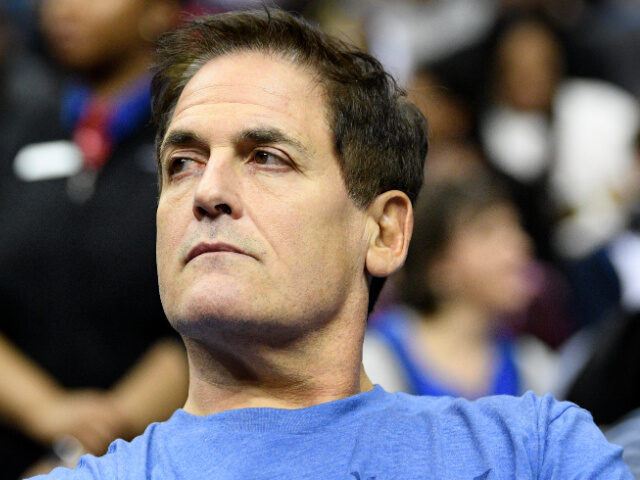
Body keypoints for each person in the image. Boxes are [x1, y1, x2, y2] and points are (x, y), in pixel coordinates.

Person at [33, 8, 632, 479]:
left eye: (266, 157)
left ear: (385, 231)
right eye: (182, 163)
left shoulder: (535, 452)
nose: (207, 191)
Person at [0, 1, 188, 478]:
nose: (65, 8)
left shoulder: (191, 136)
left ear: (159, 11)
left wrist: (79, 452)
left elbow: (208, 318)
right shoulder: (19, 126)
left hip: (150, 450)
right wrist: (46, 410)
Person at [363, 172, 557, 398]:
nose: (519, 244)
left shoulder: (532, 365)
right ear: (437, 266)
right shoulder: (375, 362)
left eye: (514, 228)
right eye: (487, 232)